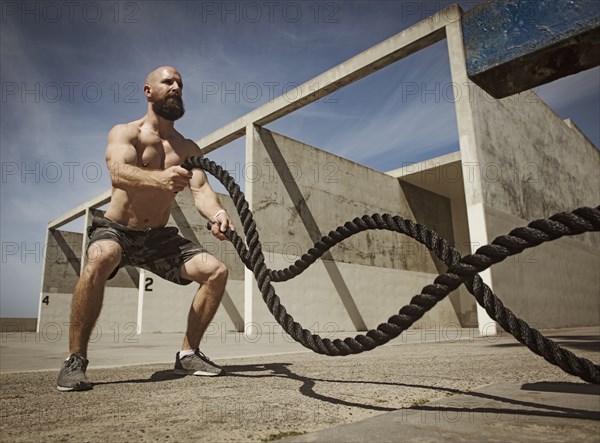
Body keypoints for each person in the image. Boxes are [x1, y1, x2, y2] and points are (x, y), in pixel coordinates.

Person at [57, 66, 235, 391]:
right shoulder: (128, 133)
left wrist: (218, 214)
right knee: (100, 256)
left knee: (216, 271)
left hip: (159, 239)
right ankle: (75, 360)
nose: (176, 86)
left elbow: (202, 191)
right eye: (168, 81)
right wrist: (159, 178)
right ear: (148, 91)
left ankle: (188, 354)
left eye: (180, 83)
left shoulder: (187, 148)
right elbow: (118, 171)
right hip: (118, 230)